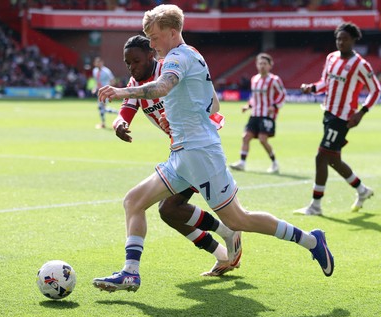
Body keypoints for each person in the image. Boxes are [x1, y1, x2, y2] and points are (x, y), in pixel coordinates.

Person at [93, 4, 334, 294]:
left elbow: (162, 87)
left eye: (154, 37)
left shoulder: (178, 57)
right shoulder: (188, 56)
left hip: (200, 152)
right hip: (182, 152)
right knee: (134, 202)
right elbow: (214, 104)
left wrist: (122, 91)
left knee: (238, 219)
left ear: (172, 32)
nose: (152, 44)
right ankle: (131, 273)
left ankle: (312, 240)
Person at [112, 34, 242, 276]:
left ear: (151, 54)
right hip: (180, 151)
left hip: (198, 147)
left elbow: (208, 100)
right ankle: (223, 250)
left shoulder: (170, 70)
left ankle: (228, 232)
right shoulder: (134, 85)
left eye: (136, 61)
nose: (132, 67)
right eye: (127, 62)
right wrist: (119, 123)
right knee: (169, 212)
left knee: (167, 209)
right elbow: (125, 110)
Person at [294, 22, 380, 216]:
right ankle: (362, 190)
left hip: (342, 118)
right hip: (328, 113)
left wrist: (361, 112)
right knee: (333, 159)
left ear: (354, 40)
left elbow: (376, 90)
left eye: (345, 39)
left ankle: (315, 205)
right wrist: (312, 87)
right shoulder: (331, 58)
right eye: (338, 39)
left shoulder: (360, 65)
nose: (340, 42)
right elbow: (325, 82)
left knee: (321, 156)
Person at [230, 53, 286, 173]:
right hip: (255, 114)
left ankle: (274, 163)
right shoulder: (254, 79)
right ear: (256, 65)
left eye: (265, 64)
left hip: (267, 115)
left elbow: (282, 94)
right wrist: (248, 106)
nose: (262, 66)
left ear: (270, 66)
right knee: (246, 137)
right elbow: (254, 97)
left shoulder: (274, 80)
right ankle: (242, 163)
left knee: (262, 139)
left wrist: (274, 106)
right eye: (260, 63)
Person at [92, 56, 117, 129]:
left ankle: (103, 123)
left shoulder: (106, 71)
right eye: (97, 62)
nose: (98, 63)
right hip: (99, 92)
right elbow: (97, 81)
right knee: (102, 108)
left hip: (105, 92)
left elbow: (113, 81)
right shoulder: (95, 71)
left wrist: (109, 90)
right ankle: (118, 113)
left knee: (101, 107)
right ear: (95, 63)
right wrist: (95, 88)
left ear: (102, 62)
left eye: (99, 62)